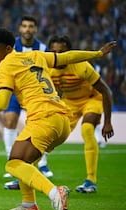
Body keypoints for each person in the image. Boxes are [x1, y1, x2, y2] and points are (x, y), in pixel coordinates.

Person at [0, 28, 116, 210]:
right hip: (62, 121)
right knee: (26, 160)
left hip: (44, 119)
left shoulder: (4, 68)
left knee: (14, 164)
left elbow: (0, 103)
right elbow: (68, 57)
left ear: (8, 48)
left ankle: (54, 193)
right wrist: (98, 54)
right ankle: (29, 203)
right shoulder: (35, 55)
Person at [0, 16, 53, 190]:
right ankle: (12, 159)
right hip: (12, 87)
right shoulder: (9, 46)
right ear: (20, 29)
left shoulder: (42, 48)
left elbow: (49, 69)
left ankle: (42, 163)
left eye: (31, 26)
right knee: (9, 120)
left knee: (38, 125)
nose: (27, 29)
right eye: (24, 26)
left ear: (35, 29)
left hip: (33, 90)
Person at [48, 35, 113, 193]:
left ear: (69, 52)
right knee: (49, 135)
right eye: (54, 52)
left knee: (87, 130)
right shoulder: (47, 68)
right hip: (69, 103)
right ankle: (25, 173)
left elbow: (106, 91)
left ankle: (91, 181)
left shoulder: (81, 66)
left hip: (92, 99)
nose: (59, 56)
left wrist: (107, 122)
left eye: (62, 52)